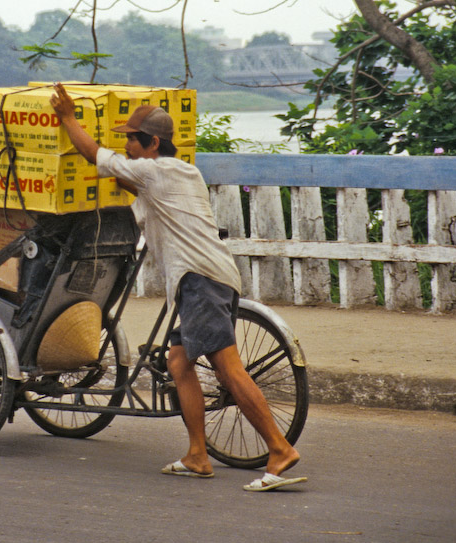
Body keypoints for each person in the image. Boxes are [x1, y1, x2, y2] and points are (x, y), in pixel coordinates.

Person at [50, 83, 306, 491]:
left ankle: (279, 448)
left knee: (227, 368)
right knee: (178, 363)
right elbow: (144, 191)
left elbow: (94, 155)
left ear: (151, 143)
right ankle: (197, 455)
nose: (127, 146)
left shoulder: (153, 170)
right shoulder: (180, 172)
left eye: (131, 140)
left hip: (201, 281)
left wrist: (67, 119)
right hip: (210, 276)